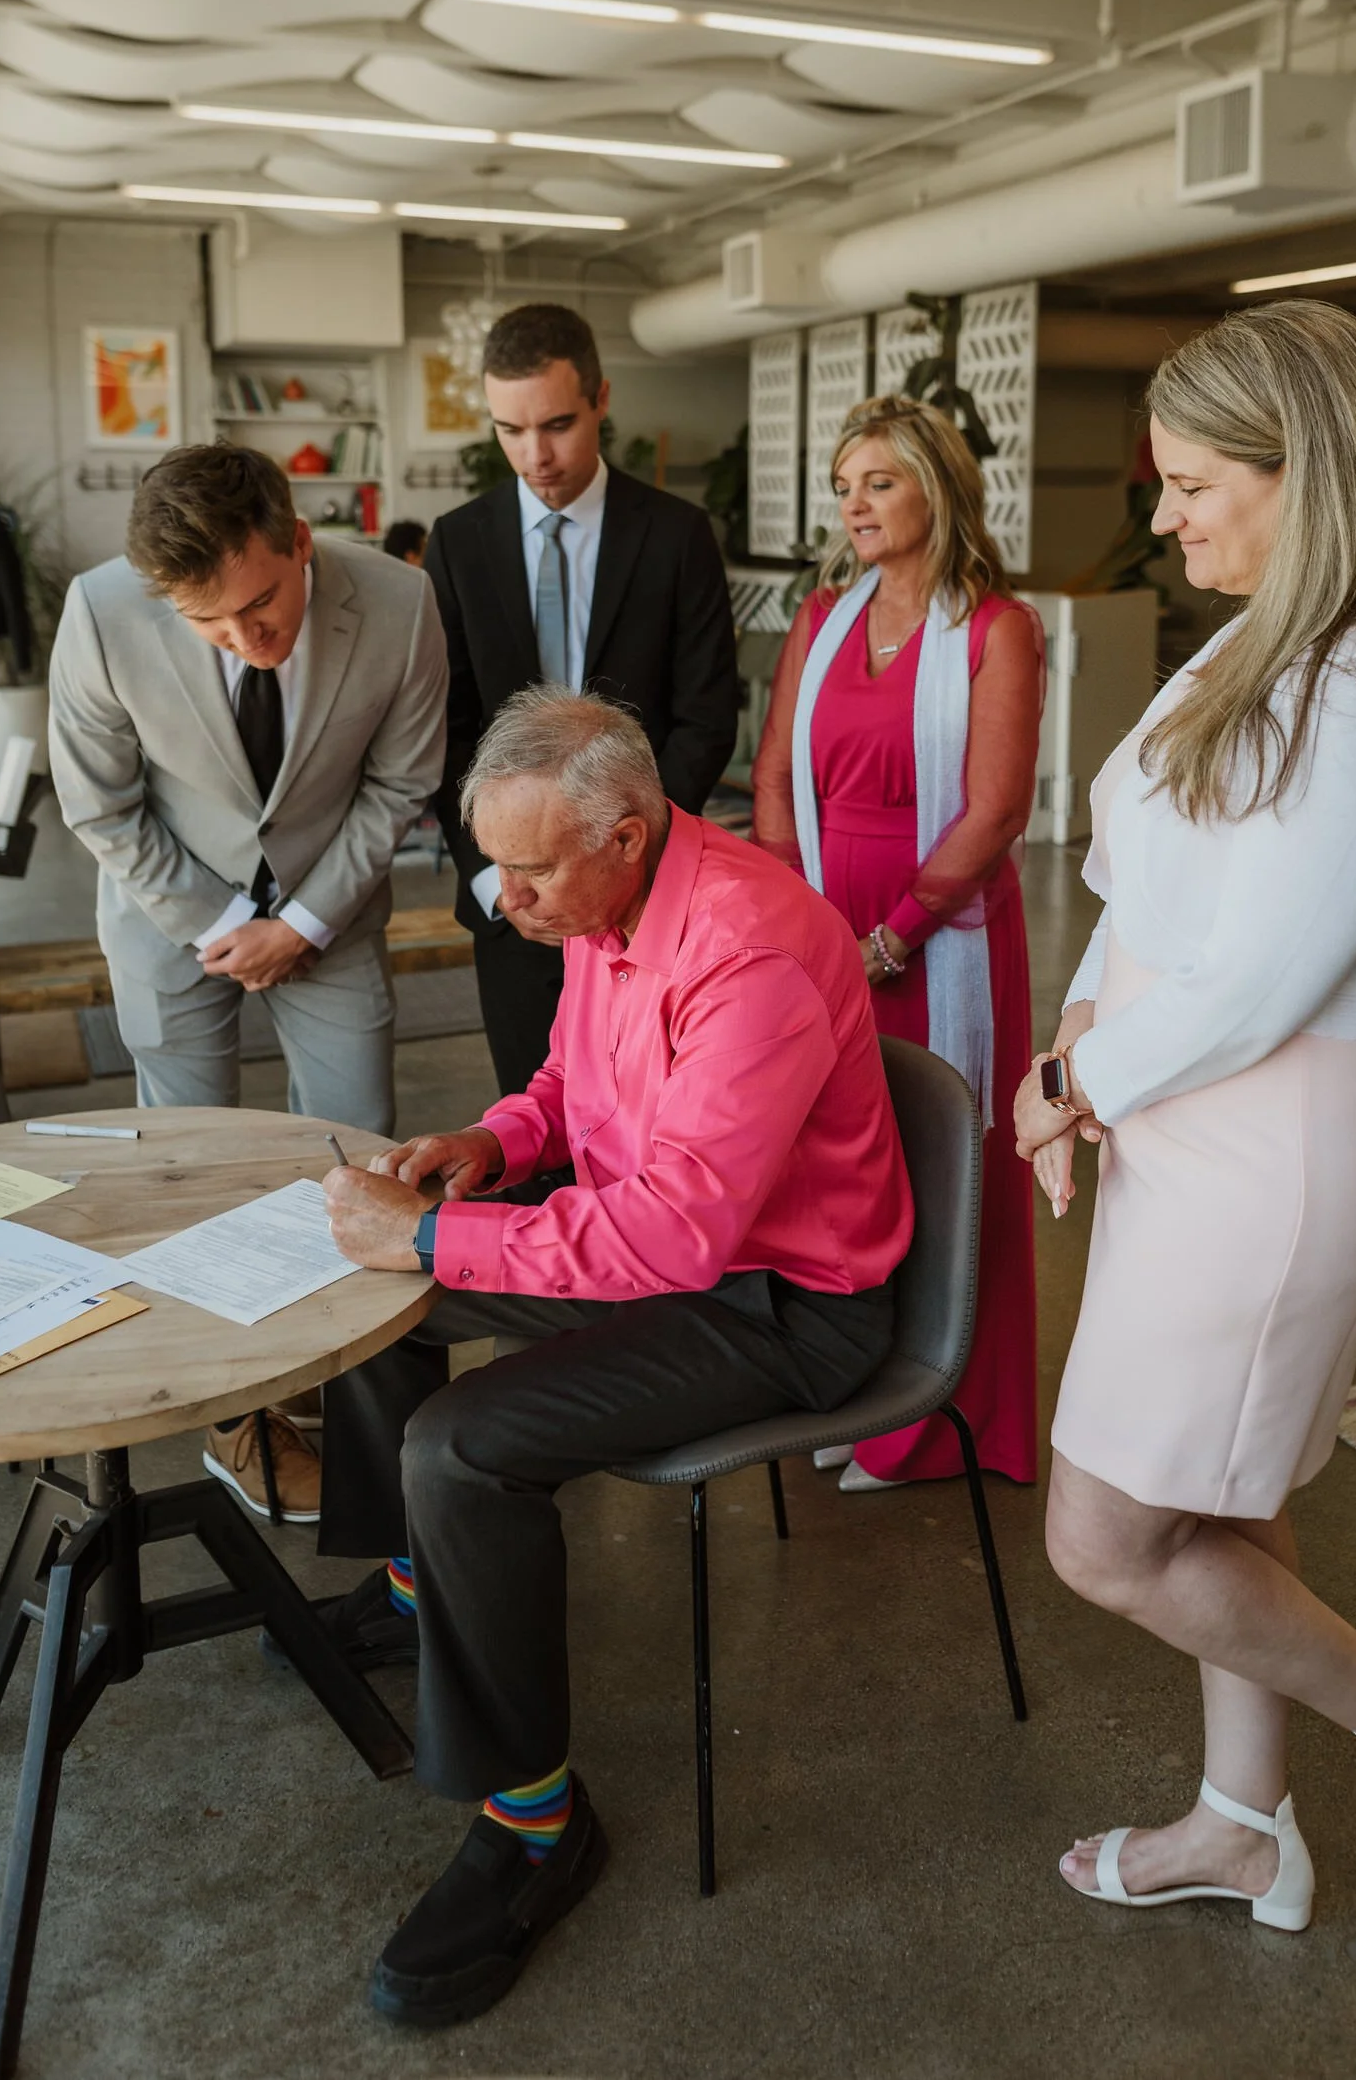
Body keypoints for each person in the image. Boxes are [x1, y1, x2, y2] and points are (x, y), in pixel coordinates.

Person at [1015, 300, 1356, 1929]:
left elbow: (1254, 984)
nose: (1159, 517)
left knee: (1102, 1535)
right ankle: (1241, 1824)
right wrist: (1067, 1056)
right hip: (1179, 1125)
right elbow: (1132, 891)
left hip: (1265, 1152)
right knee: (1218, 1500)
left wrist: (1075, 1079)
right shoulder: (1251, 642)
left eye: (1187, 484)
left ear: (1302, 473)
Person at [312, 687, 911, 2029]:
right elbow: (576, 1090)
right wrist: (496, 1147)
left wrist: (435, 1241)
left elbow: (682, 1234)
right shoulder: (607, 905)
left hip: (783, 1302)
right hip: (671, 1248)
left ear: (628, 833)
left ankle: (533, 1825)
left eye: (526, 871)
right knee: (363, 1300)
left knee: (457, 1444)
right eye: (493, 865)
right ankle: (417, 1593)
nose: (501, 899)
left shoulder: (746, 945)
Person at [48, 443, 448, 1519]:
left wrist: (305, 920)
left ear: (298, 541)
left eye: (261, 604)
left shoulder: (402, 600)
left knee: (363, 1149)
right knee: (191, 1170)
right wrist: (229, 923)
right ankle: (237, 1418)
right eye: (210, 623)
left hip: (335, 909)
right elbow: (101, 807)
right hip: (170, 915)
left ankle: (349, 1409)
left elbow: (402, 779)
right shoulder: (101, 614)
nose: (246, 637)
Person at [754, 396, 1042, 1493]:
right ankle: (855, 1390)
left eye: (877, 480)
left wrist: (891, 937)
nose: (854, 503)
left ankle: (937, 1421)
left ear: (936, 486)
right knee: (840, 1170)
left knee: (946, 1165)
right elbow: (775, 769)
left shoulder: (994, 626)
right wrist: (801, 913)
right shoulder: (824, 613)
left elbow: (996, 808)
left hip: (940, 929)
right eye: (843, 484)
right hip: (826, 923)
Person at [425, 301, 739, 1096]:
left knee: (651, 1120)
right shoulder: (457, 542)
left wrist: (623, 861)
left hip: (647, 890)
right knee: (529, 1126)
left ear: (601, 398)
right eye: (509, 430)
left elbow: (704, 716)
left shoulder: (675, 534)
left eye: (557, 424)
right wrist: (493, 874)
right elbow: (445, 729)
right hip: (511, 901)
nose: (535, 455)